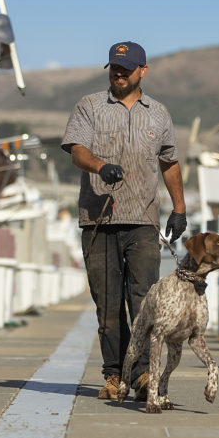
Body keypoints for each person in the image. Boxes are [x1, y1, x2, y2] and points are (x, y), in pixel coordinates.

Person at [61, 40, 187, 401]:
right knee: (108, 304)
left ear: (142, 71)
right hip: (98, 222)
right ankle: (113, 375)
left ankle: (144, 372)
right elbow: (77, 152)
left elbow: (169, 162)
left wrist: (179, 209)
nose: (118, 74)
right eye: (113, 68)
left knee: (144, 300)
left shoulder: (159, 114)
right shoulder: (89, 106)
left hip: (143, 221)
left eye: (125, 69)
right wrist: (101, 166)